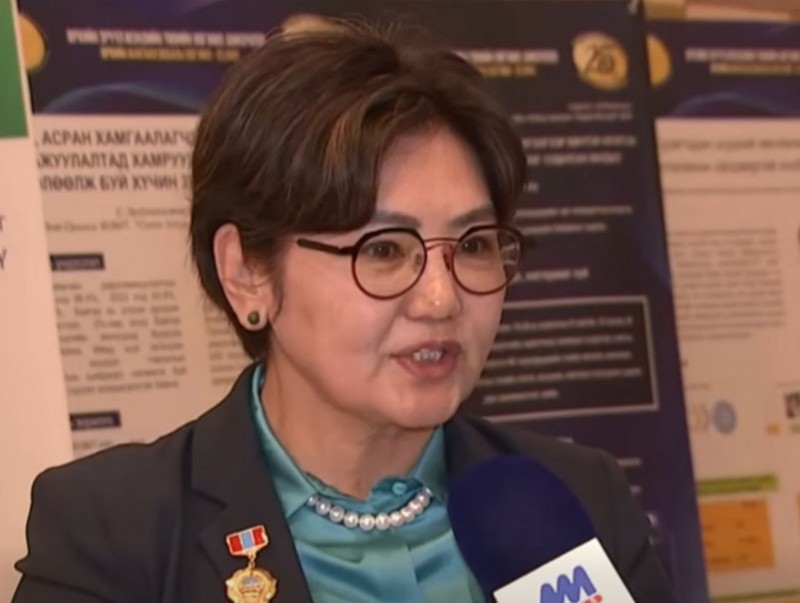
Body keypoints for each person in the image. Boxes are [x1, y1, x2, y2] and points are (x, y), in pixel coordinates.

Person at [13, 16, 677, 603]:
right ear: (247, 273)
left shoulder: (575, 498)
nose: (442, 297)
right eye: (383, 250)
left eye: (473, 244)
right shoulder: (116, 529)